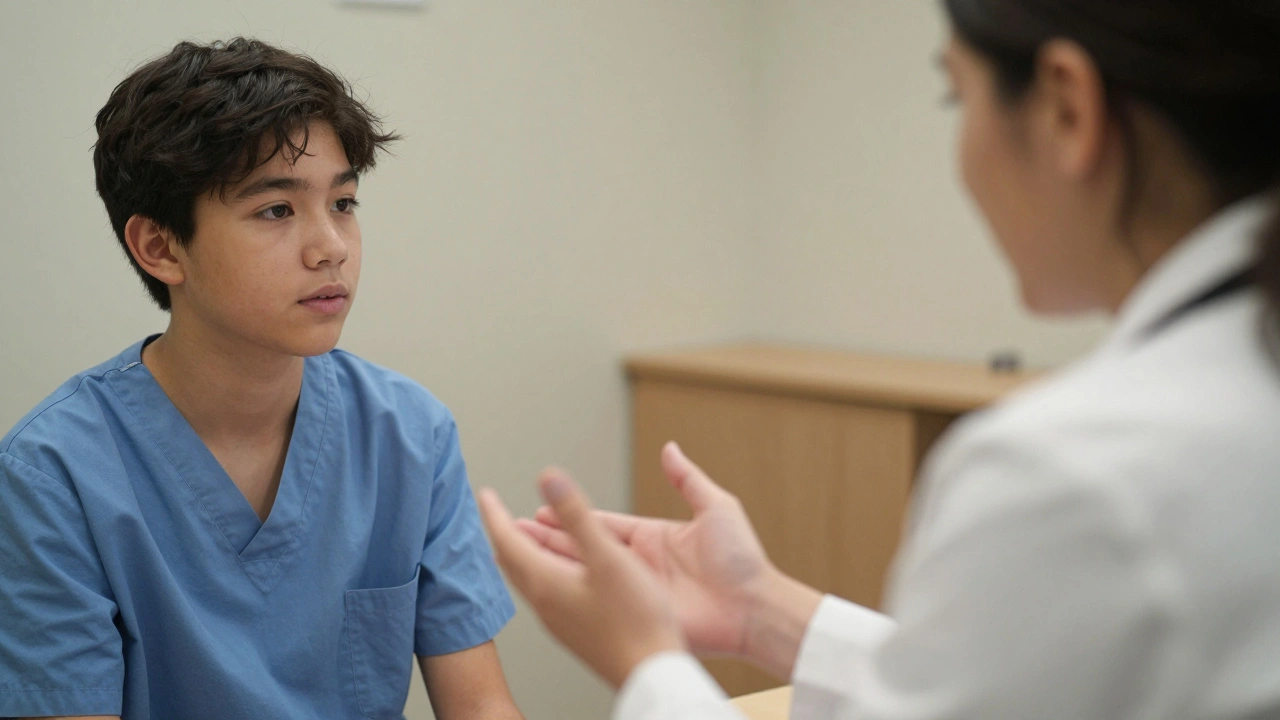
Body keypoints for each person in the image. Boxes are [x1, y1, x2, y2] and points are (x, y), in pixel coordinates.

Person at [478, 1, 1280, 718]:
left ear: (1069, 107)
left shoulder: (1069, 475)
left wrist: (644, 661)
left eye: (955, 97)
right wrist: (759, 609)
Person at [0, 38, 523, 720]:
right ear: (160, 247)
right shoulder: (53, 475)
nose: (330, 246)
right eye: (277, 210)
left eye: (343, 203)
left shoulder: (409, 434)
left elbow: (481, 707)